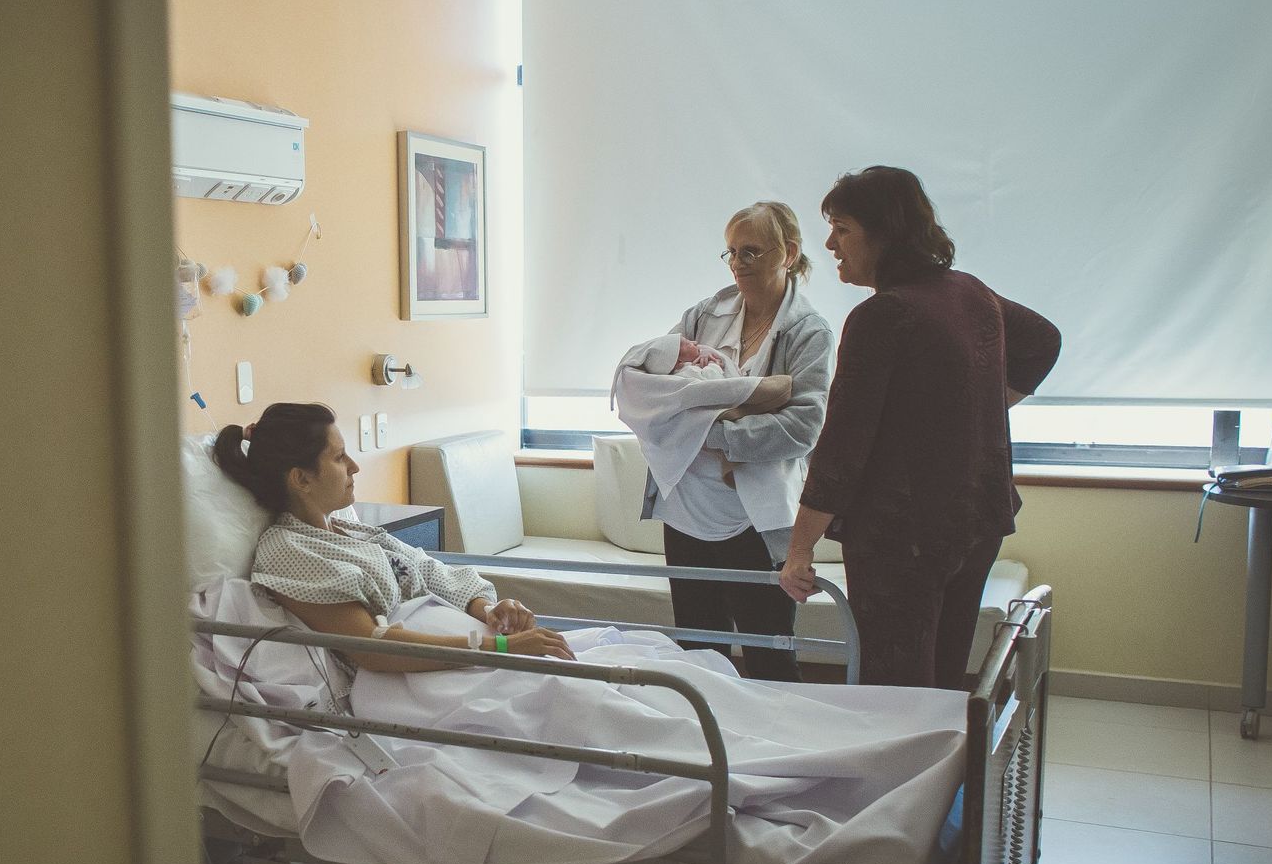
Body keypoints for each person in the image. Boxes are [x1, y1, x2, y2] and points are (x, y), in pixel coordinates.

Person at [779, 166, 1062, 689]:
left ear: (883, 233)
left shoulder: (882, 318)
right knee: (944, 678)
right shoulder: (969, 293)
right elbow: (1043, 340)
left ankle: (906, 768)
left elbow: (842, 450)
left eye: (842, 229)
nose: (830, 244)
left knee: (896, 689)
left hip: (902, 542)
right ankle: (949, 768)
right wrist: (985, 407)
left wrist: (799, 550)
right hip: (976, 523)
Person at [624, 201, 833, 681]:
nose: (738, 263)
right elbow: (652, 391)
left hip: (756, 522)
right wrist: (748, 403)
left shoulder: (809, 332)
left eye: (752, 252)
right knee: (697, 651)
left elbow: (803, 426)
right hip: (686, 507)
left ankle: (774, 750)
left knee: (770, 654)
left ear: (790, 253)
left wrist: (712, 432)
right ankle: (706, 750)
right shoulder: (704, 315)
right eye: (732, 252)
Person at [214, 402, 575, 669]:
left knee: (599, 667)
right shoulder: (288, 551)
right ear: (301, 479)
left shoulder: (353, 531)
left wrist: (492, 612)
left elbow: (431, 571)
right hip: (411, 683)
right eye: (340, 458)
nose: (354, 466)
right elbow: (374, 647)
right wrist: (498, 649)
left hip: (468, 658)